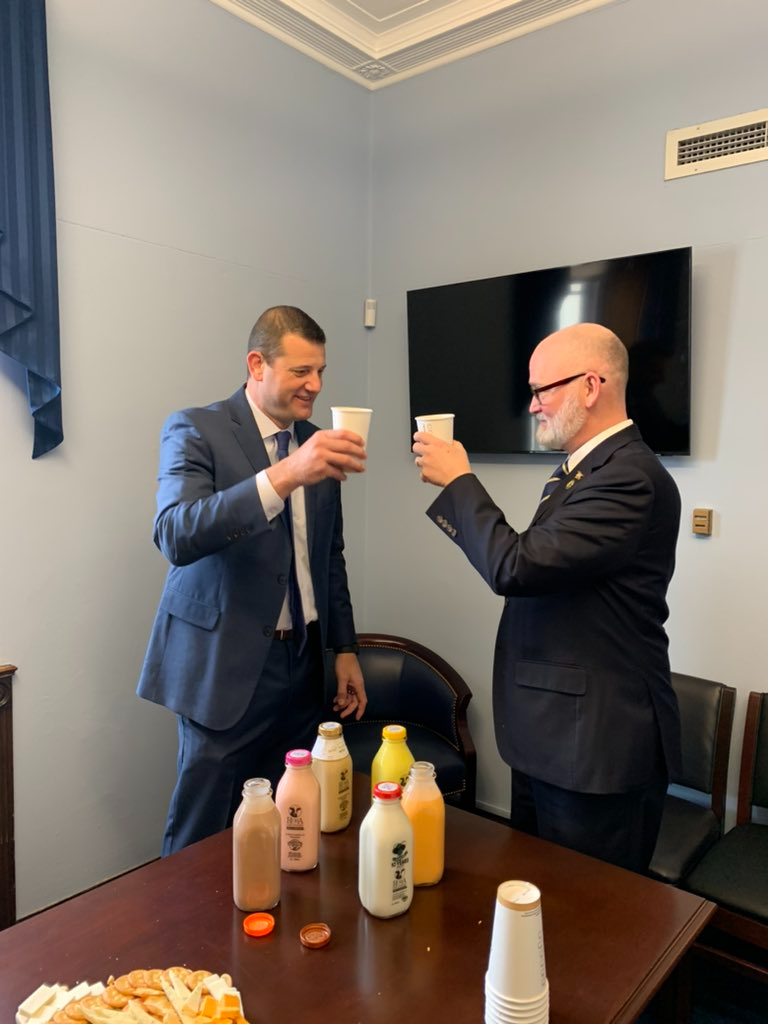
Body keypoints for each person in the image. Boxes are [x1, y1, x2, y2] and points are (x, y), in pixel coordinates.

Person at [412, 322, 681, 874]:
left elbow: (516, 565)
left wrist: (460, 481)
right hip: (549, 738)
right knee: (543, 909)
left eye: (543, 390)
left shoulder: (629, 477)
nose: (532, 406)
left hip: (594, 750)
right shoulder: (576, 474)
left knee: (592, 927)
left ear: (590, 385)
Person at [138, 305, 368, 854]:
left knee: (291, 824)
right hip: (228, 670)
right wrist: (287, 473)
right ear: (257, 364)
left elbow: (328, 558)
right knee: (204, 833)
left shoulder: (317, 441)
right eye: (301, 372)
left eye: (321, 372)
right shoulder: (196, 428)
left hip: (304, 668)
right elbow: (175, 533)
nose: (314, 385)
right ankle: (188, 941)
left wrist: (343, 648)